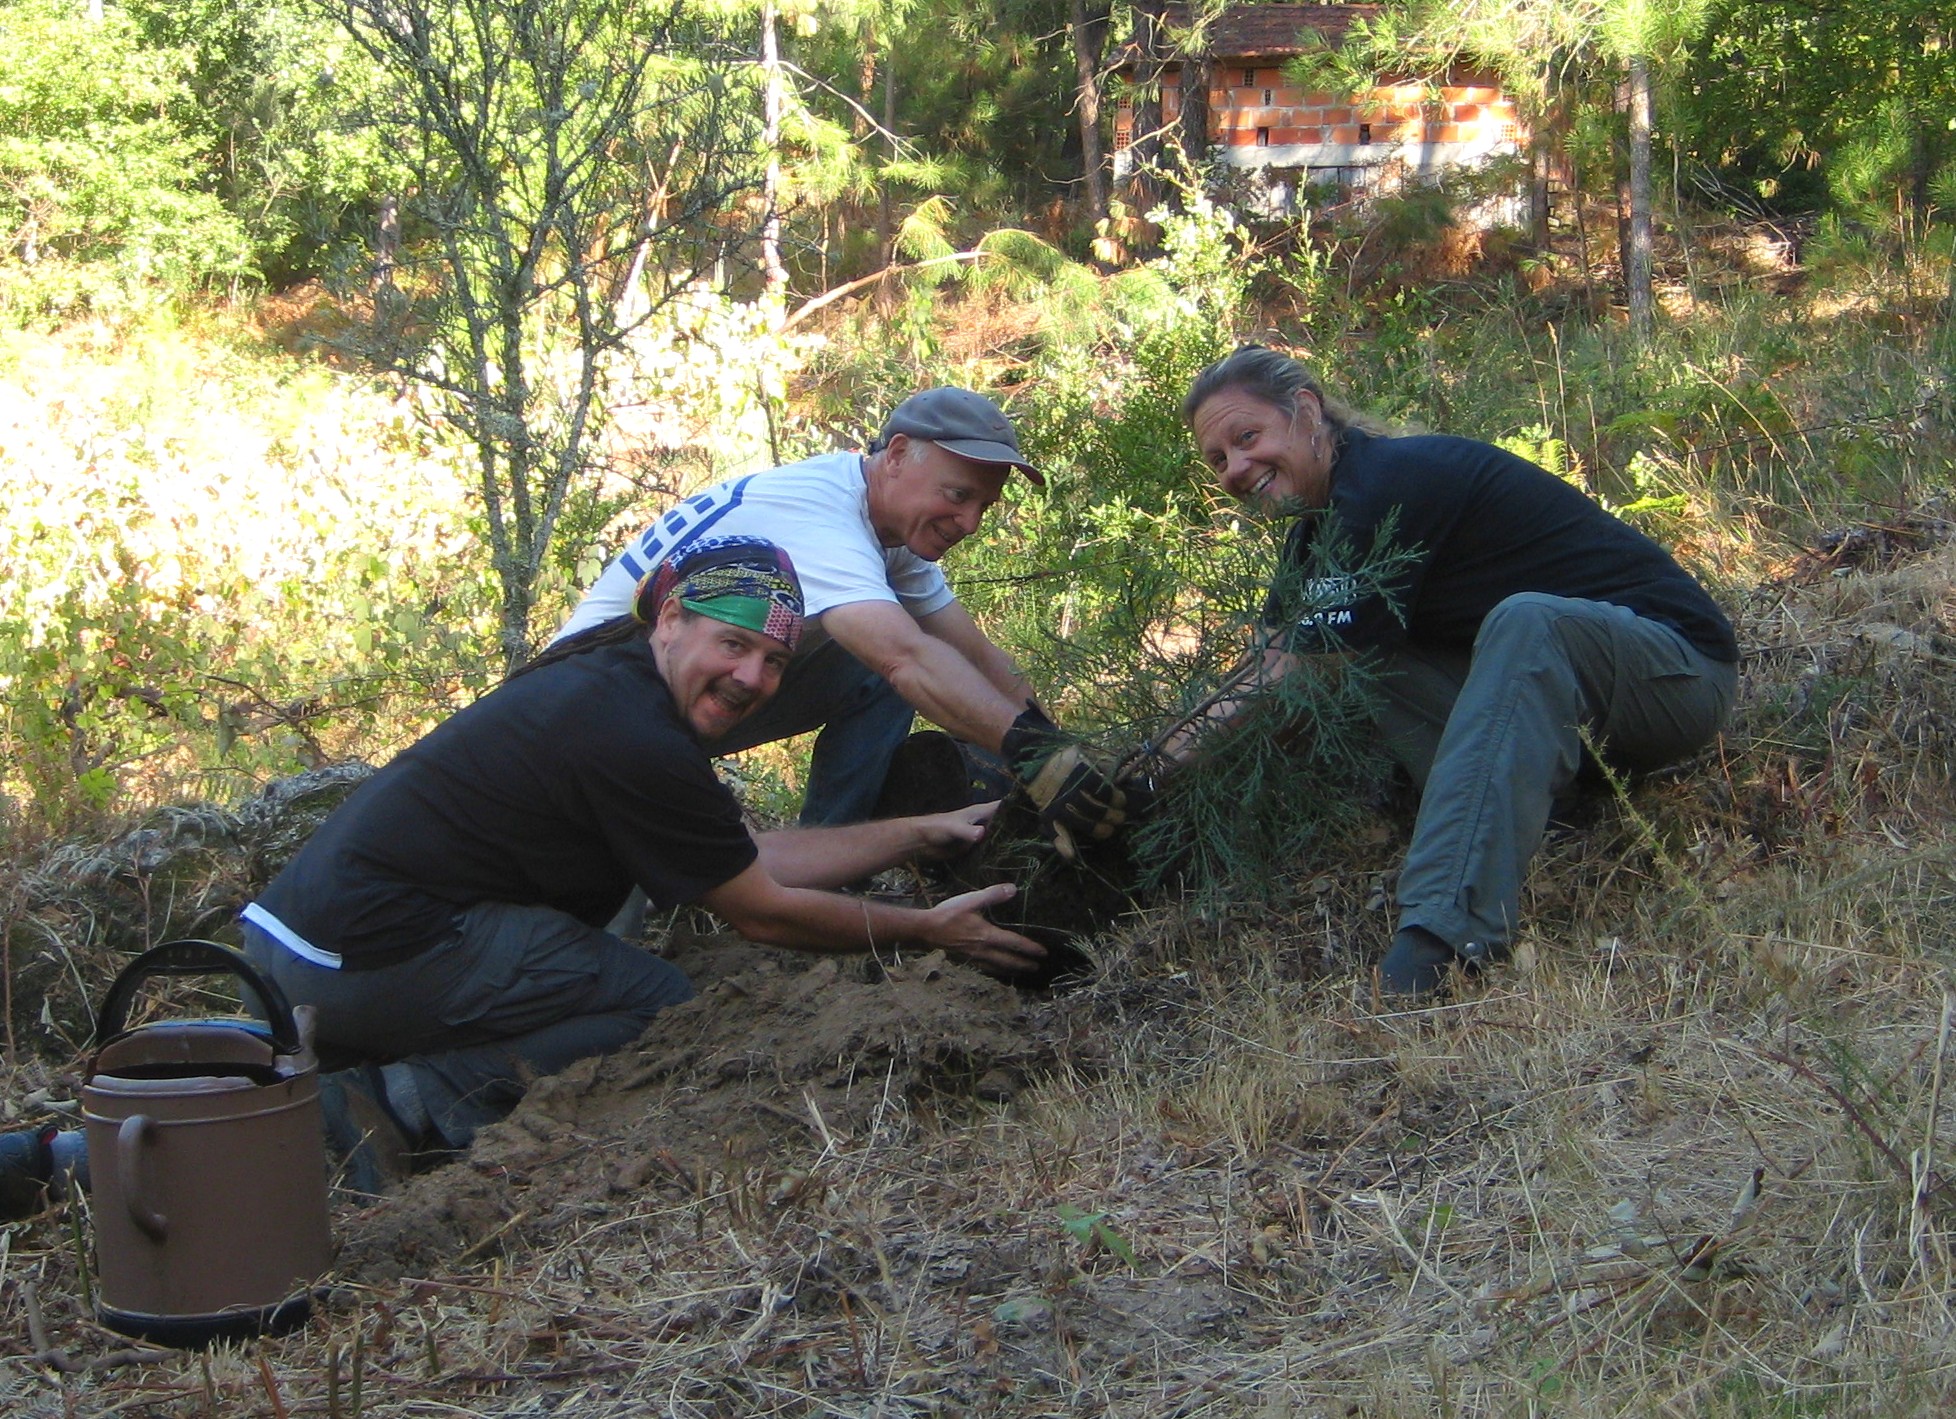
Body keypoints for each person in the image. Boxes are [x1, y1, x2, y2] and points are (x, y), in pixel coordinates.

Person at [0, 537, 1043, 1212]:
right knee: (655, 1002)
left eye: (775, 662)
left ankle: (72, 1155)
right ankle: (404, 1115)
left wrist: (919, 832)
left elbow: (746, 859)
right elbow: (763, 913)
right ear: (669, 616)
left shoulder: (613, 690)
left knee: (285, 1103)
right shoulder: (629, 731)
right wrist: (927, 929)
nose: (753, 678)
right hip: (372, 954)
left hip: (294, 947)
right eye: (734, 644)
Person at [1169, 346, 1739, 996]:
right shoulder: (1316, 533)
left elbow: (1292, 668)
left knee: (1526, 621)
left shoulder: (1393, 479)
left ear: (1305, 410)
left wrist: (1164, 764)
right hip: (1580, 721)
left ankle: (1443, 935)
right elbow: (1271, 664)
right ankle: (1543, 811)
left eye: (1247, 438)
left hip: (1677, 677)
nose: (1236, 468)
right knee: (1362, 653)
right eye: (1218, 460)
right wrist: (1148, 774)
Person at [560, 387, 1138, 855]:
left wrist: (1066, 756)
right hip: (587, 714)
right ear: (897, 455)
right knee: (891, 660)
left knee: (888, 671)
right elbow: (904, 657)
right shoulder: (819, 513)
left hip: (667, 698)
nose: (969, 523)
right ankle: (796, 873)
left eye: (983, 506)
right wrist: (1035, 756)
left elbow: (977, 657)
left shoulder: (890, 529)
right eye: (958, 495)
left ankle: (828, 858)